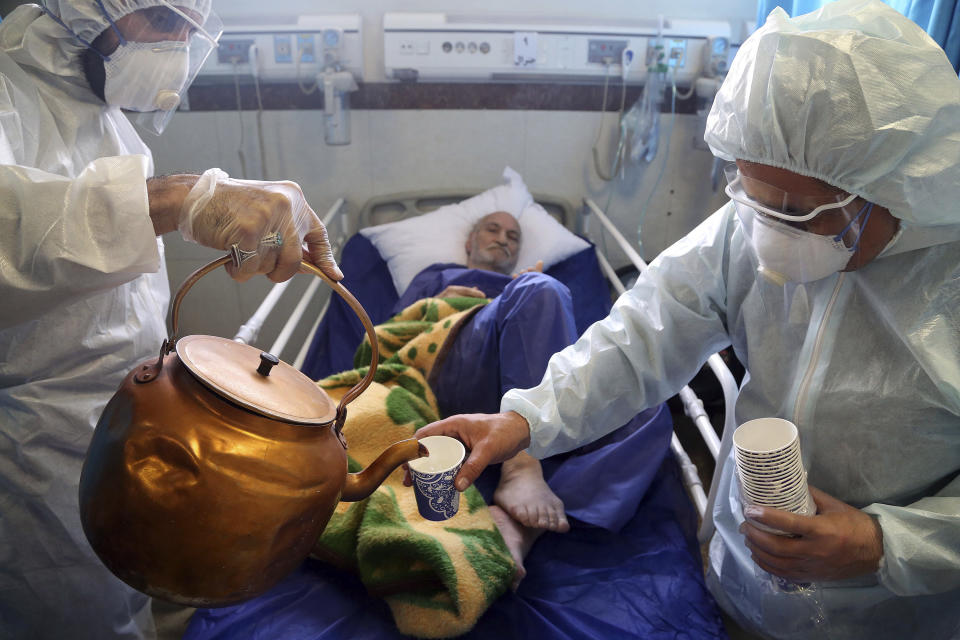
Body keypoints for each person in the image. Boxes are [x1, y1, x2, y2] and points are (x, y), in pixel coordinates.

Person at [416, 2, 960, 638]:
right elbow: (641, 336)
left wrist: (885, 544)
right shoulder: (746, 227)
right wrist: (523, 421)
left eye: (802, 214)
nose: (773, 240)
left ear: (898, 188)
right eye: (757, 203)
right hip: (741, 570)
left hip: (895, 612)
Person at [0, 2, 341, 639]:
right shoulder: (9, 98)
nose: (179, 47)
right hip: (32, 444)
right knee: (66, 616)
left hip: (123, 413)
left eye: (192, 28)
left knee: (123, 602)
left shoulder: (103, 118)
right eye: (163, 21)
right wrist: (182, 200)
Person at [400, 210, 571, 588]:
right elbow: (395, 330)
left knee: (645, 412)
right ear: (469, 243)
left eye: (513, 235)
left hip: (530, 367)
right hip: (457, 363)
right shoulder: (437, 276)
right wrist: (442, 301)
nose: (503, 238)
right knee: (543, 289)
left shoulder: (522, 285)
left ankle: (515, 523)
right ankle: (522, 468)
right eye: (492, 229)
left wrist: (528, 302)